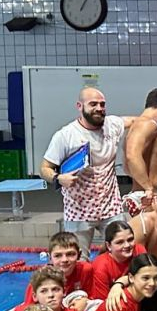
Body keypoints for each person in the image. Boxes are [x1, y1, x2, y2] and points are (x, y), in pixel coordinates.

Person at [39, 87, 135, 260]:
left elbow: (140, 122)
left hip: (110, 206)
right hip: (78, 210)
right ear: (79, 106)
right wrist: (59, 178)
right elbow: (44, 168)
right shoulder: (65, 136)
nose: (99, 108)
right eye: (93, 104)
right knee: (77, 260)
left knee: (123, 253)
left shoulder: (112, 125)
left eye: (102, 104)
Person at [122, 88, 157, 217]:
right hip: (150, 198)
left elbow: (127, 167)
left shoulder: (140, 125)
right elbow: (132, 155)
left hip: (147, 195)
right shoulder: (148, 125)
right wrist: (148, 188)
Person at [23, 232, 93, 303]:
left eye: (70, 254)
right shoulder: (39, 279)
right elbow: (28, 310)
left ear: (79, 254)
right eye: (58, 256)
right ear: (50, 257)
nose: (64, 260)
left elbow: (91, 300)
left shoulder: (85, 270)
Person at [90, 221, 147, 300]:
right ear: (109, 246)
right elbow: (101, 303)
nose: (127, 245)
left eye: (130, 239)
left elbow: (148, 277)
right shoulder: (101, 265)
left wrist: (121, 282)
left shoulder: (138, 250)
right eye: (120, 242)